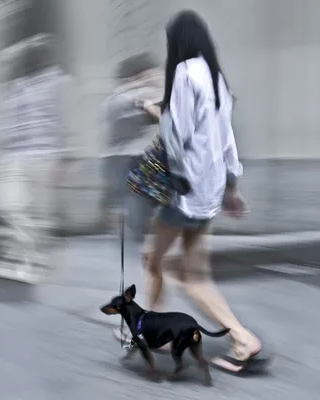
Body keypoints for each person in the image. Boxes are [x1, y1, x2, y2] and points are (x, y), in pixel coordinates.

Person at [115, 10, 265, 374]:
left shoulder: (184, 72)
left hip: (186, 188)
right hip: (209, 189)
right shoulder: (217, 78)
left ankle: (240, 338)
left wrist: (154, 110)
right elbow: (225, 138)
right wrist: (233, 185)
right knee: (181, 268)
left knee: (174, 270)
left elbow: (177, 133)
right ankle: (155, 332)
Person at [0, 34, 71, 283]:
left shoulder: (59, 82)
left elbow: (66, 122)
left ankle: (34, 262)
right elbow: (6, 124)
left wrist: (66, 158)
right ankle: (20, 259)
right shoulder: (17, 86)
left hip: (44, 155)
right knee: (14, 209)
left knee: (38, 215)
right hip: (16, 157)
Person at [98, 52, 164, 239]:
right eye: (153, 73)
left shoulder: (113, 97)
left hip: (116, 157)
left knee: (132, 203)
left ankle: (131, 231)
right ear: (140, 75)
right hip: (132, 157)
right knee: (137, 205)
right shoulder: (138, 95)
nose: (158, 76)